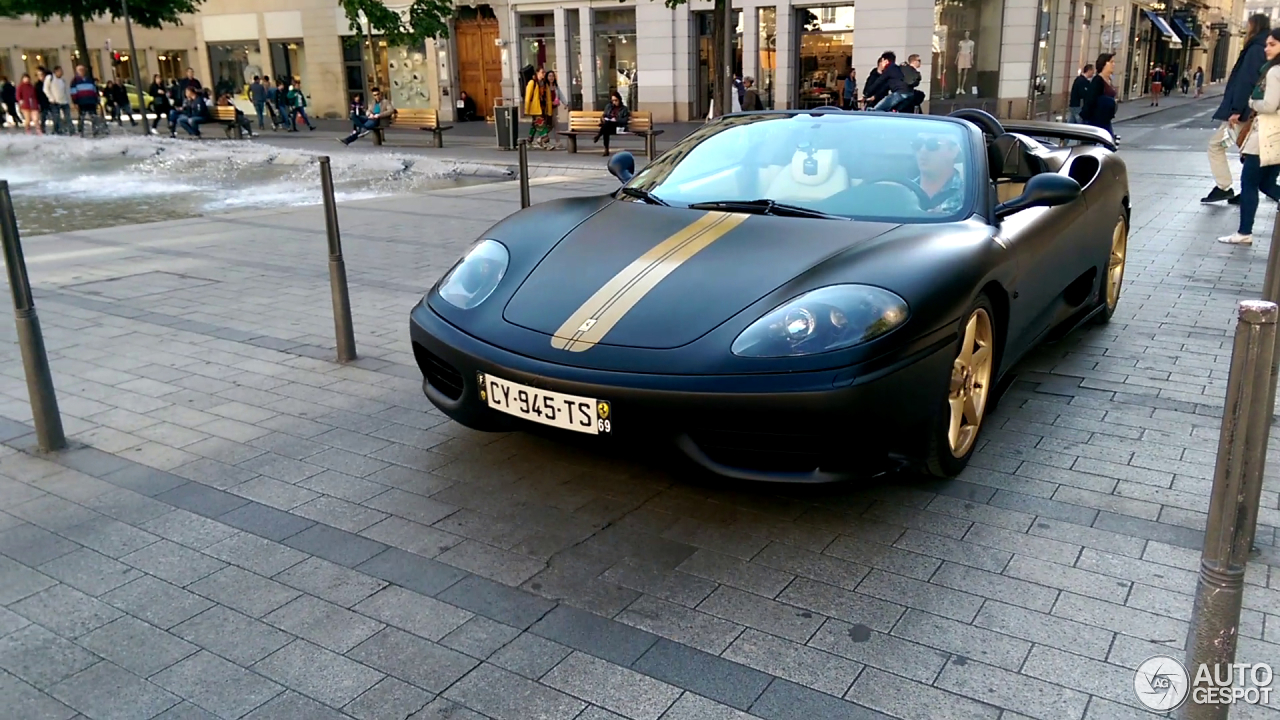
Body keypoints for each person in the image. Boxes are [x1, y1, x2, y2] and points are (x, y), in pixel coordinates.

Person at [1220, 28, 1280, 244]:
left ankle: (1244, 232)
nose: (1266, 48)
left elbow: (1270, 105)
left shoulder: (1274, 72)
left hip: (1266, 135)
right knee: (1266, 183)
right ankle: (1244, 232)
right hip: (1274, 137)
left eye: (1272, 44)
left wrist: (1251, 103)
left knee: (1249, 182)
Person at [1204, 14, 1271, 204]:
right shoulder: (1263, 47)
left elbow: (1246, 81)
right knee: (1248, 151)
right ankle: (1244, 189)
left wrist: (1235, 109)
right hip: (1251, 110)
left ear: (1254, 26)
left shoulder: (1255, 49)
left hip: (1242, 112)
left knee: (1217, 145)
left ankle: (1225, 186)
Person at [911, 133, 965, 213]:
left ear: (953, 151)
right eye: (918, 144)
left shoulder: (969, 197)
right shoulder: (903, 192)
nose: (922, 150)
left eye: (932, 144)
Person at [1081, 53, 1118, 139]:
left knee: (1109, 145)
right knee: (1106, 145)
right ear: (1104, 64)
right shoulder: (1097, 81)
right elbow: (1091, 100)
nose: (1114, 64)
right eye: (1111, 62)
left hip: (1105, 119)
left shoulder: (1108, 79)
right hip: (1097, 120)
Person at [523, 68, 554, 149]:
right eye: (542, 72)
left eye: (544, 72)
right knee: (541, 125)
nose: (544, 74)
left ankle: (529, 141)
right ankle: (546, 143)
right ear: (537, 73)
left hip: (542, 108)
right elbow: (528, 97)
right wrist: (526, 109)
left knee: (534, 125)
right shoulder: (532, 83)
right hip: (535, 109)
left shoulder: (544, 84)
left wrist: (549, 110)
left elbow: (548, 98)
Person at [593, 90, 629, 156]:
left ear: (619, 99)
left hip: (618, 127)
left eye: (616, 100)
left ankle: (599, 136)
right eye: (613, 101)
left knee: (606, 126)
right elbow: (603, 115)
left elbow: (625, 120)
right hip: (608, 127)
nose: (614, 102)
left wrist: (616, 119)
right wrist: (603, 119)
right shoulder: (609, 107)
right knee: (606, 127)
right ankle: (606, 149)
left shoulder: (624, 109)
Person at [70, 65, 102, 137]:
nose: (82, 71)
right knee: (82, 117)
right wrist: (75, 102)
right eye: (80, 70)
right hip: (81, 102)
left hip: (91, 101)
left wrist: (96, 100)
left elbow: (94, 90)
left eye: (83, 70)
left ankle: (95, 131)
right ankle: (81, 132)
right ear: (77, 71)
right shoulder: (74, 81)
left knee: (93, 117)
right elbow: (73, 92)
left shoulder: (90, 79)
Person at [44, 66, 71, 135]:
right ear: (56, 72)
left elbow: (66, 90)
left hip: (64, 101)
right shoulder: (50, 78)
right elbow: (45, 89)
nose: (61, 73)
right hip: (55, 101)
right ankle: (57, 131)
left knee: (68, 117)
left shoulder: (63, 80)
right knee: (56, 117)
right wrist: (51, 98)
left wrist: (68, 100)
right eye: (60, 71)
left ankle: (70, 130)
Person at [547, 70, 567, 149]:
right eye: (549, 76)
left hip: (554, 109)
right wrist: (551, 103)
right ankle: (557, 142)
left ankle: (542, 138)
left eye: (552, 76)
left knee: (553, 125)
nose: (551, 78)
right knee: (554, 125)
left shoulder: (555, 86)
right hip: (548, 109)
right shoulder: (545, 86)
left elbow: (560, 95)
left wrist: (565, 103)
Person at [34, 67, 51, 134]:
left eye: (42, 74)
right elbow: (36, 95)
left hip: (51, 101)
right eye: (39, 75)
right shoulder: (37, 85)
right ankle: (42, 129)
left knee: (55, 116)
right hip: (42, 103)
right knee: (43, 117)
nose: (41, 76)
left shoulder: (49, 82)